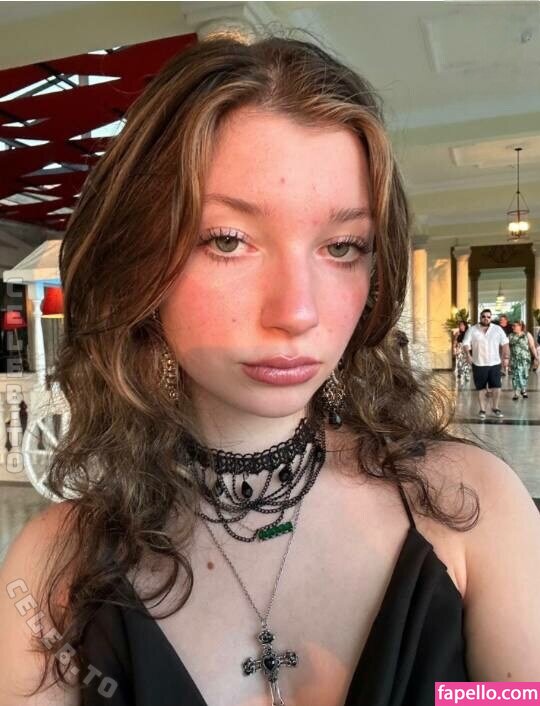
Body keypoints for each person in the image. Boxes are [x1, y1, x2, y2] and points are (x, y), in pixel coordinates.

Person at [1, 36, 540, 706]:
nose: (297, 312)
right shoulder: (53, 575)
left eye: (342, 246)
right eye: (227, 240)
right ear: (137, 260)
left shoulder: (472, 508)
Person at [462, 309, 509, 419]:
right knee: (481, 388)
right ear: (480, 317)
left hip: (495, 363)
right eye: (484, 316)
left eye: (488, 317)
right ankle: (482, 409)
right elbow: (466, 343)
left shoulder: (497, 329)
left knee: (497, 387)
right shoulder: (472, 330)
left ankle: (495, 407)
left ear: (491, 318)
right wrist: (468, 355)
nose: (486, 318)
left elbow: (505, 344)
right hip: (479, 363)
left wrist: (506, 358)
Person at [508, 320, 539, 400]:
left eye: (515, 326)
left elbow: (532, 346)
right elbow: (508, 349)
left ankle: (523, 389)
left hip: (525, 359)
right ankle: (516, 392)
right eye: (512, 326)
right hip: (514, 359)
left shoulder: (527, 334)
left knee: (524, 375)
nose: (513, 327)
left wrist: (536, 357)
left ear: (520, 326)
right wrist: (507, 359)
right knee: (515, 375)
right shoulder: (510, 336)